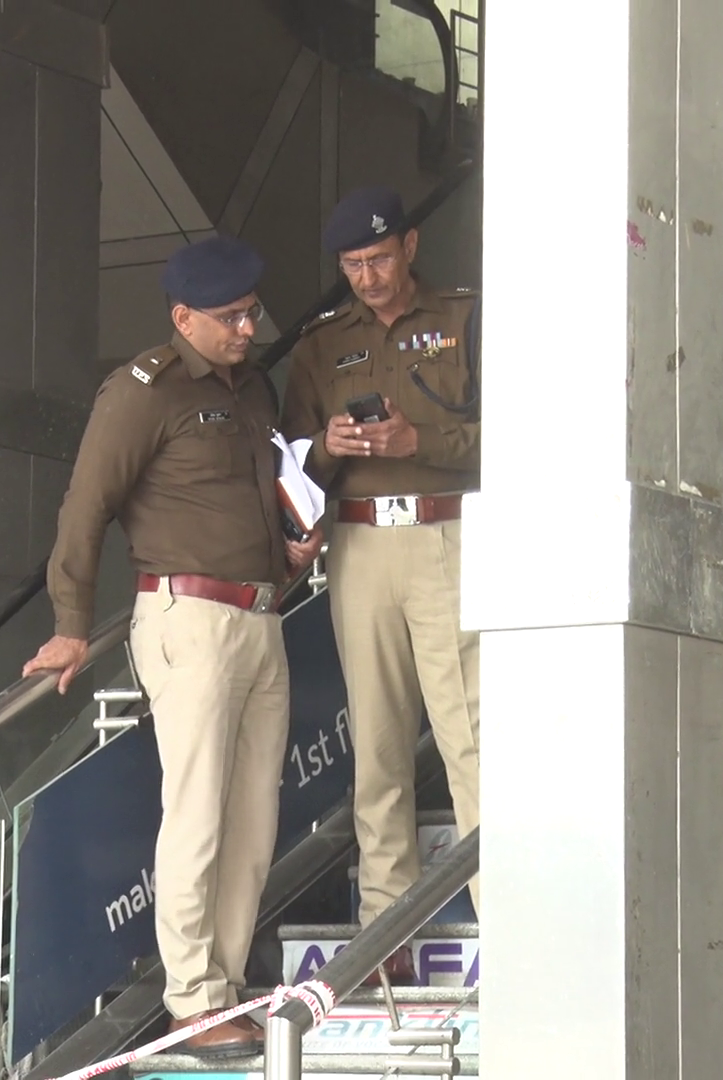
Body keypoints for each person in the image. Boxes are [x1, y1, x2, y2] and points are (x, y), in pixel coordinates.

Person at [23, 236, 319, 1058]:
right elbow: (86, 506)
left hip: (262, 615)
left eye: (251, 312)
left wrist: (292, 552)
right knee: (196, 814)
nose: (247, 329)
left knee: (254, 817)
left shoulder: (253, 389)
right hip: (189, 620)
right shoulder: (142, 391)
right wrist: (71, 624)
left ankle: (225, 985)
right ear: (184, 317)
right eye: (230, 317)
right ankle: (192, 997)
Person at [280, 187, 480, 978]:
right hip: (359, 543)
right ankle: (385, 930)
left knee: (470, 736)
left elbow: (517, 431)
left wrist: (415, 437)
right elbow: (289, 464)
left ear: (410, 246)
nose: (367, 277)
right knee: (378, 742)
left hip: (447, 534)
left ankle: (506, 909)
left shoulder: (465, 317)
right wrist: (328, 446)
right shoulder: (321, 344)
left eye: (379, 258)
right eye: (353, 264)